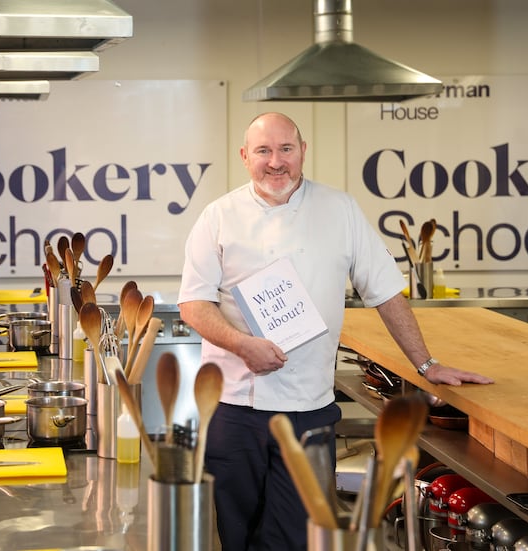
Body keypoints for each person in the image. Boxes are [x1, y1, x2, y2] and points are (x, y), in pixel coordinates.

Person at [177, 112, 494, 550]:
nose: (276, 162)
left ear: (303, 151)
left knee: (298, 534)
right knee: (235, 532)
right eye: (264, 151)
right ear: (244, 156)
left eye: (286, 149)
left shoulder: (340, 209)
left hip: (308, 406)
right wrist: (242, 345)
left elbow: (384, 292)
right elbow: (193, 304)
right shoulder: (218, 216)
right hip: (234, 408)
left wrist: (426, 363)